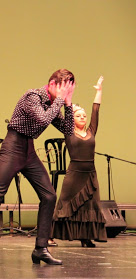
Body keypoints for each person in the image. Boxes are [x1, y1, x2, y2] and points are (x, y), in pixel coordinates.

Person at [0, 69, 76, 266]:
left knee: (49, 196)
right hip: (12, 147)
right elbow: (42, 119)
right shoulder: (33, 96)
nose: (66, 92)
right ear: (52, 84)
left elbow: (68, 130)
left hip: (28, 150)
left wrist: (68, 104)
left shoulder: (51, 103)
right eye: (64, 87)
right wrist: (60, 100)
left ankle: (41, 249)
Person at [52, 76, 106, 247]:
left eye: (84, 115)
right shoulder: (69, 132)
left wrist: (99, 91)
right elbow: (57, 116)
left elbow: (96, 111)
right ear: (72, 119)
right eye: (78, 115)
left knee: (90, 205)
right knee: (65, 202)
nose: (83, 117)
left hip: (90, 174)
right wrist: (67, 100)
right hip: (74, 174)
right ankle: (50, 235)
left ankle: (86, 237)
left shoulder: (91, 131)